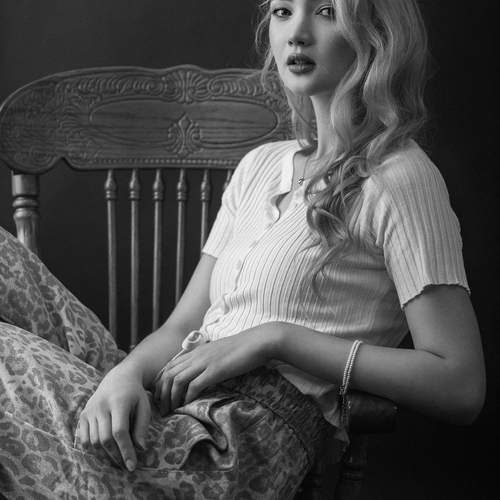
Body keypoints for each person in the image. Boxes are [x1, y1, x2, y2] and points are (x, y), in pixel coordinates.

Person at [0, 0, 486, 498]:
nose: (297, 33)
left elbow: (460, 384)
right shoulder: (260, 165)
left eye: (325, 10)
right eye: (282, 11)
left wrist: (277, 339)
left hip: (233, 442)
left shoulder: (400, 178)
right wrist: (124, 375)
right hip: (166, 398)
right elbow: (182, 327)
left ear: (377, 33)